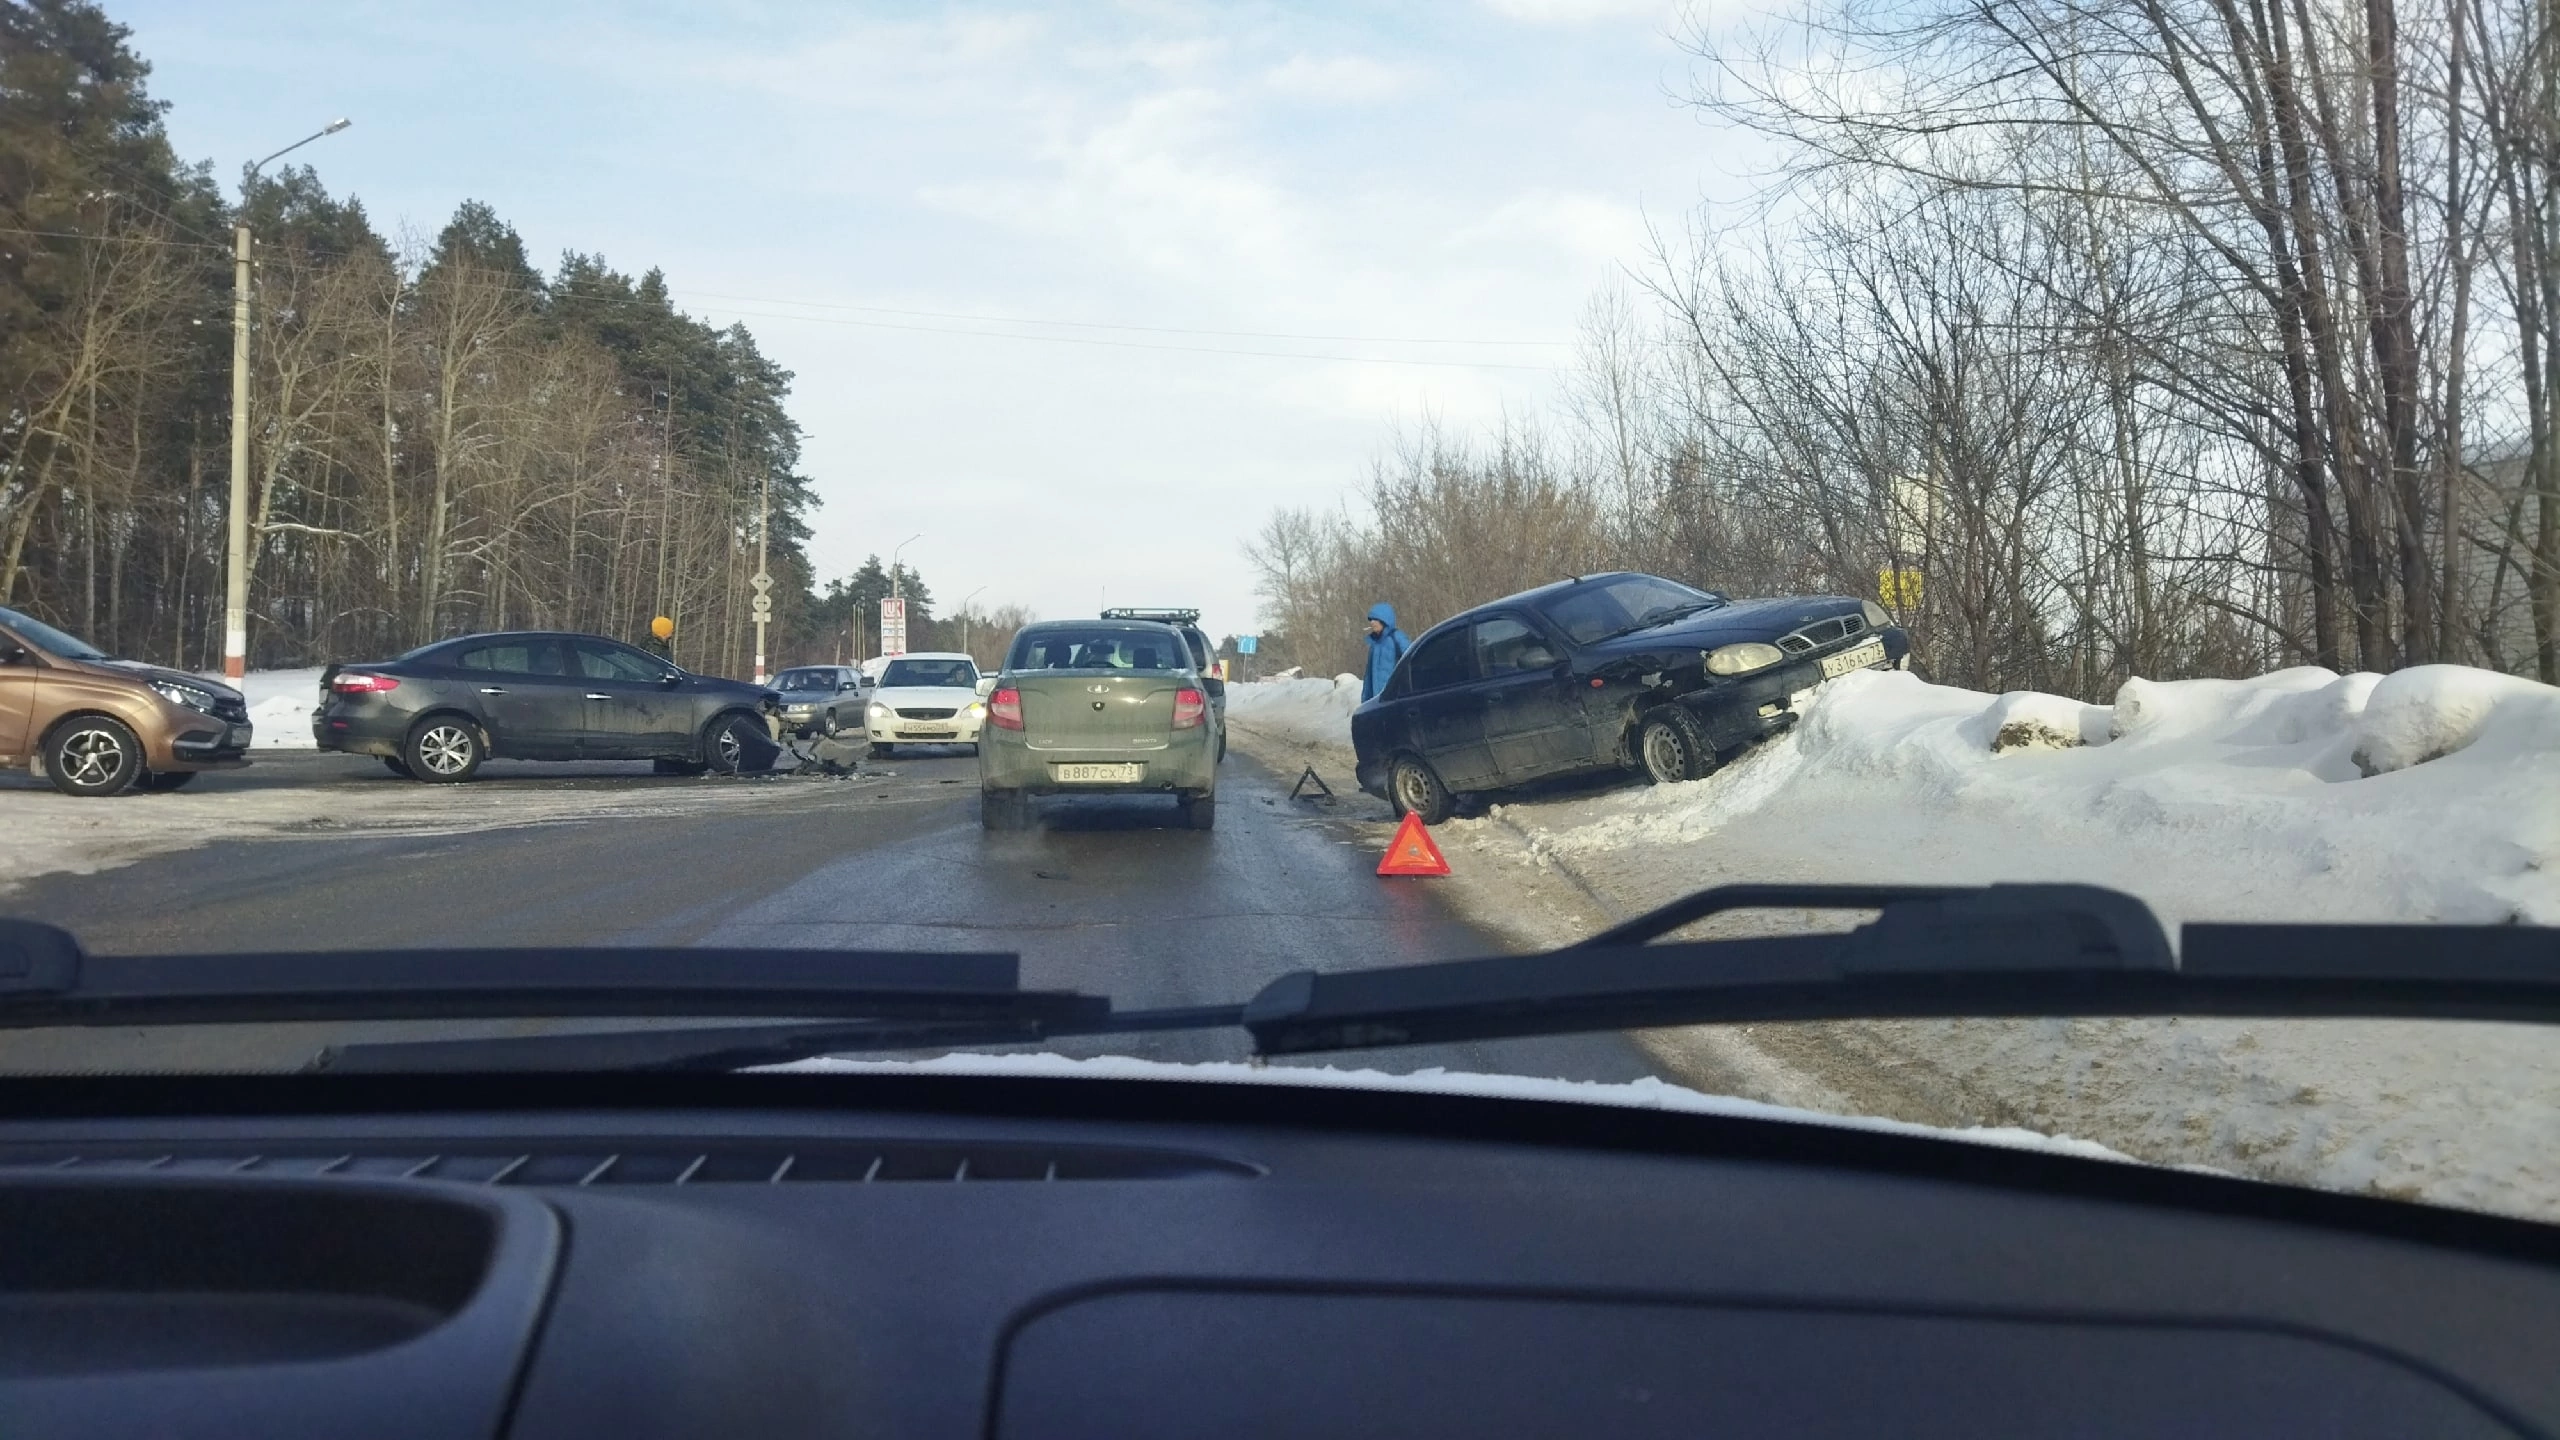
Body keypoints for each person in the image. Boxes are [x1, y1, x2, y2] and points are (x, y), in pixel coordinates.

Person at [1360, 602, 1410, 702]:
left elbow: (1411, 663)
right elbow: (1369, 677)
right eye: (1371, 620)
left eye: (1375, 619)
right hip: (1377, 700)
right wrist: (1365, 702)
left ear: (1384, 620)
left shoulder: (1398, 639)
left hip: (1396, 698)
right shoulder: (1374, 645)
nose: (1372, 623)